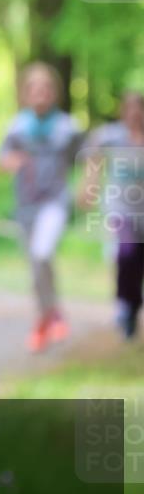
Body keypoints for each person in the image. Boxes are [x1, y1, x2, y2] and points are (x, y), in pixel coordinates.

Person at [0, 62, 82, 353]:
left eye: (46, 88)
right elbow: (0, 160)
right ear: (25, 93)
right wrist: (10, 161)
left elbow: (88, 159)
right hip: (25, 206)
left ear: (55, 92)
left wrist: (87, 186)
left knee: (42, 252)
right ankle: (46, 317)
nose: (40, 93)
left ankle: (52, 315)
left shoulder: (68, 127)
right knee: (35, 267)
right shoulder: (17, 126)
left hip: (55, 203)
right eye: (34, 88)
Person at [80, 91, 144, 341]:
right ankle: (125, 307)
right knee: (126, 253)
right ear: (122, 111)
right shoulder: (111, 136)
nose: (134, 113)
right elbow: (93, 157)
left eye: (139, 108)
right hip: (120, 210)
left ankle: (132, 307)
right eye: (129, 108)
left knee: (138, 261)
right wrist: (89, 184)